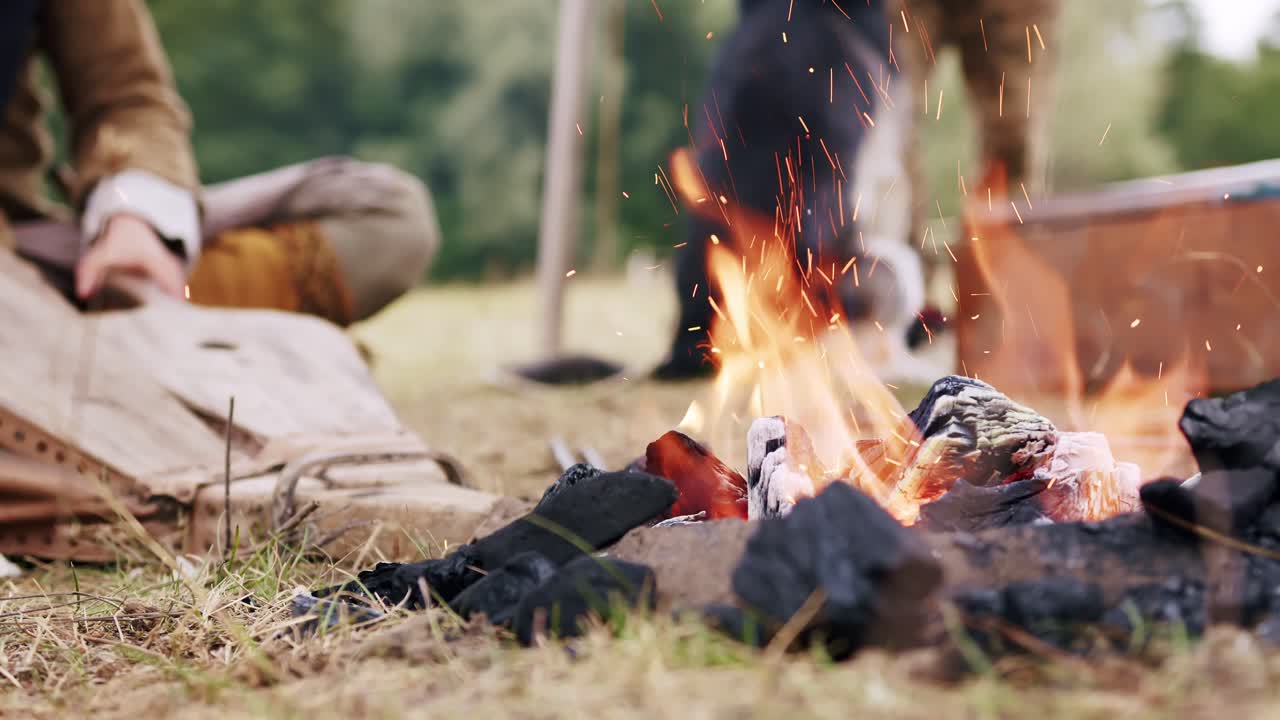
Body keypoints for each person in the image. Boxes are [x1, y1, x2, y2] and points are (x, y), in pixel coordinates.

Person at [0, 0, 439, 327]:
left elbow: (128, 99)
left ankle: (148, 326)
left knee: (390, 220)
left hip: (32, 265)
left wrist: (132, 217)